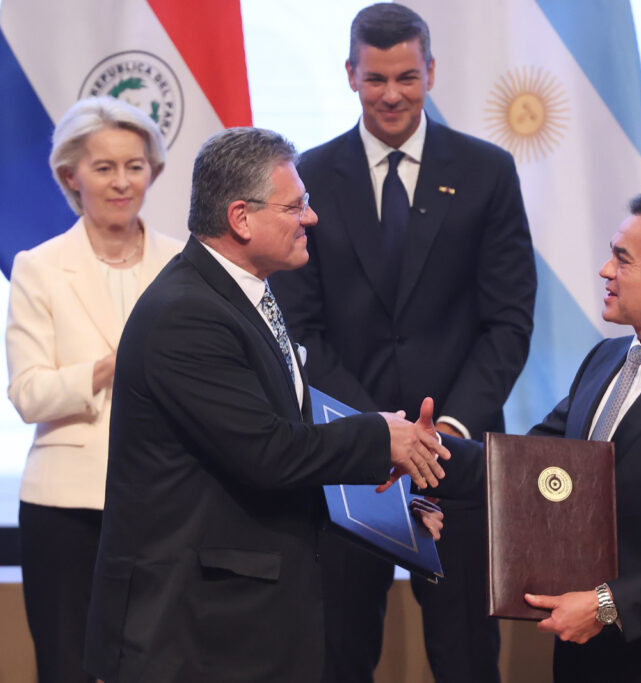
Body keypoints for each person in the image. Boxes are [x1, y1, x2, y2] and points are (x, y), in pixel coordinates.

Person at [82, 126, 451, 683]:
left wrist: (392, 511)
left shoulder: (237, 293)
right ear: (241, 218)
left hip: (240, 625)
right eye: (295, 206)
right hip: (195, 634)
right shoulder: (187, 314)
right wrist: (380, 437)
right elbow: (268, 452)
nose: (312, 218)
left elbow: (287, 437)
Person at [269, 4, 536, 682]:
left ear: (431, 72)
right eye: (376, 78)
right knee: (338, 654)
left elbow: (508, 322)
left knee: (467, 657)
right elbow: (302, 331)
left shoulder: (487, 172)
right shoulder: (307, 178)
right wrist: (378, 435)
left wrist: (443, 435)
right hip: (346, 459)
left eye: (407, 78)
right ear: (350, 74)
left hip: (457, 461)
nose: (391, 94)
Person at [433, 193, 641, 682]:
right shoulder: (605, 360)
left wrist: (607, 605)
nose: (605, 270)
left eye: (623, 259)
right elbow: (521, 466)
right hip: (582, 659)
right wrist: (423, 452)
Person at [5, 95, 182, 683]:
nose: (121, 182)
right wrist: (112, 366)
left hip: (164, 500)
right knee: (66, 665)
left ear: (153, 171)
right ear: (70, 176)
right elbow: (29, 393)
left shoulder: (183, 263)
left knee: (162, 664)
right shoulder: (39, 267)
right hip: (65, 505)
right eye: (104, 167)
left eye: (135, 166)